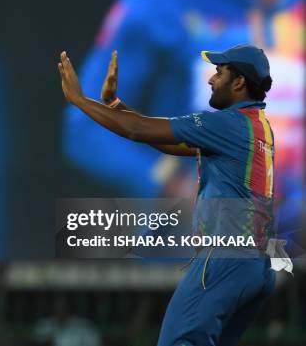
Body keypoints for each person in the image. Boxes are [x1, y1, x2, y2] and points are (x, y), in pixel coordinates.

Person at [58, 44, 277, 345]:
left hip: (225, 256)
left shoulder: (227, 124)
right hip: (256, 266)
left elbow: (138, 130)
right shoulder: (257, 126)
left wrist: (79, 100)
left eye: (220, 72)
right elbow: (165, 142)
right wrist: (115, 105)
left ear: (239, 82)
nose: (211, 79)